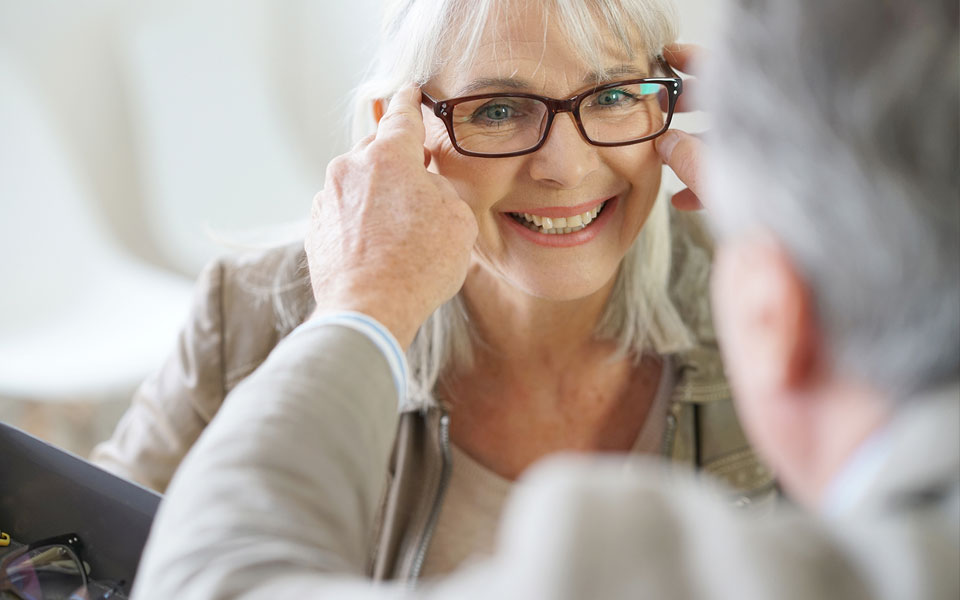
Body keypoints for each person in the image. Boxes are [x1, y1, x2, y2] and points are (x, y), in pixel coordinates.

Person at [130, 0, 959, 596]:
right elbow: (76, 551)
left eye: (609, 97)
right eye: (496, 109)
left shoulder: (757, 289)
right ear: (398, 132)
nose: (564, 166)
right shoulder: (250, 316)